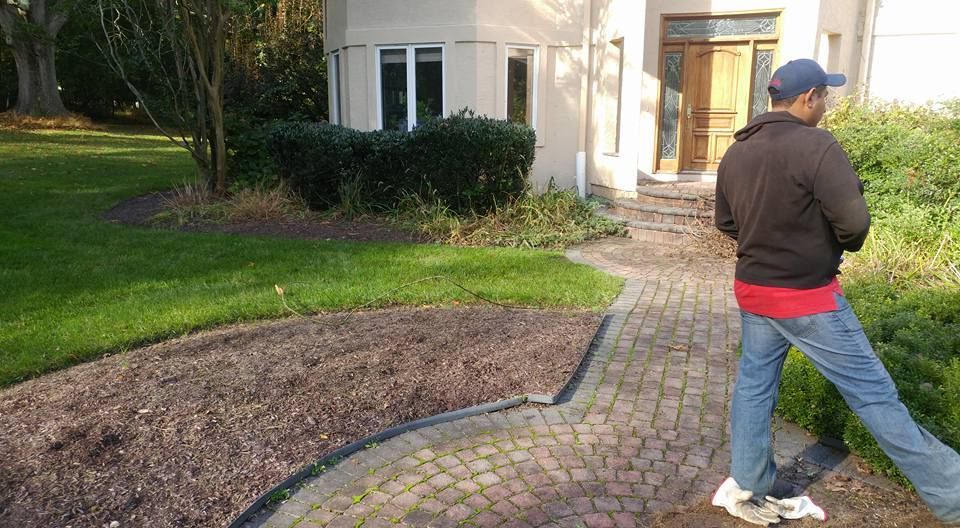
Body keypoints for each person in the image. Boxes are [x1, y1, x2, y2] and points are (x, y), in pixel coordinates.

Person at [709, 58, 960, 526]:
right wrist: (828, 244)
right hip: (807, 298)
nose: (825, 105)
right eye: (824, 95)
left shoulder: (737, 151)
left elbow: (726, 222)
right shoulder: (817, 145)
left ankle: (749, 482)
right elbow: (855, 223)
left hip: (754, 291)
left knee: (754, 388)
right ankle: (954, 495)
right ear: (808, 98)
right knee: (874, 396)